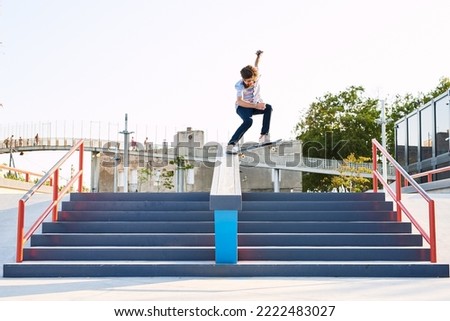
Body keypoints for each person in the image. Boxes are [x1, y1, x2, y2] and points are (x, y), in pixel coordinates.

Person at [227, 50, 273, 154]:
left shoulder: (255, 76)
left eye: (251, 80)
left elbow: (256, 65)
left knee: (268, 108)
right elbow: (239, 101)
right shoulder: (239, 86)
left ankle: (264, 136)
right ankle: (231, 144)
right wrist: (256, 106)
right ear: (243, 79)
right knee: (248, 121)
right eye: (247, 81)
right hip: (242, 107)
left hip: (254, 105)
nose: (249, 83)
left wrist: (258, 56)